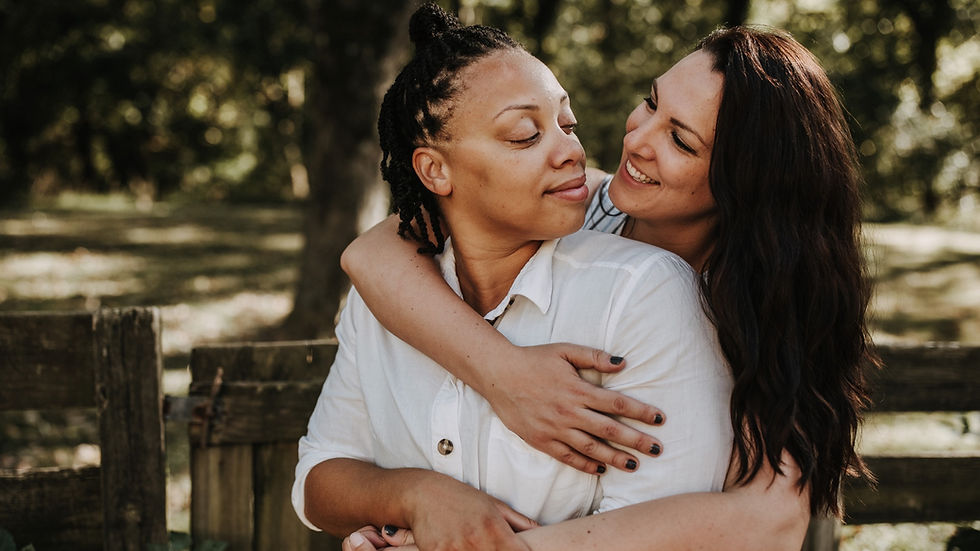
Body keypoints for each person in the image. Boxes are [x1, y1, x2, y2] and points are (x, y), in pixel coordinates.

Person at [337, 10, 878, 551]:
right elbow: (374, 253)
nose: (638, 138)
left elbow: (770, 521)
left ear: (747, 185)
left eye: (681, 142)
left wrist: (480, 545)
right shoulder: (584, 206)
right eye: (651, 101)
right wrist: (502, 374)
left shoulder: (769, 309)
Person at [292, 4, 736, 551]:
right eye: (527, 135)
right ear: (434, 170)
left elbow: (679, 524)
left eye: (567, 126)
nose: (573, 148)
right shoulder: (394, 292)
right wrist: (418, 498)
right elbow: (318, 478)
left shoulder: (647, 292)